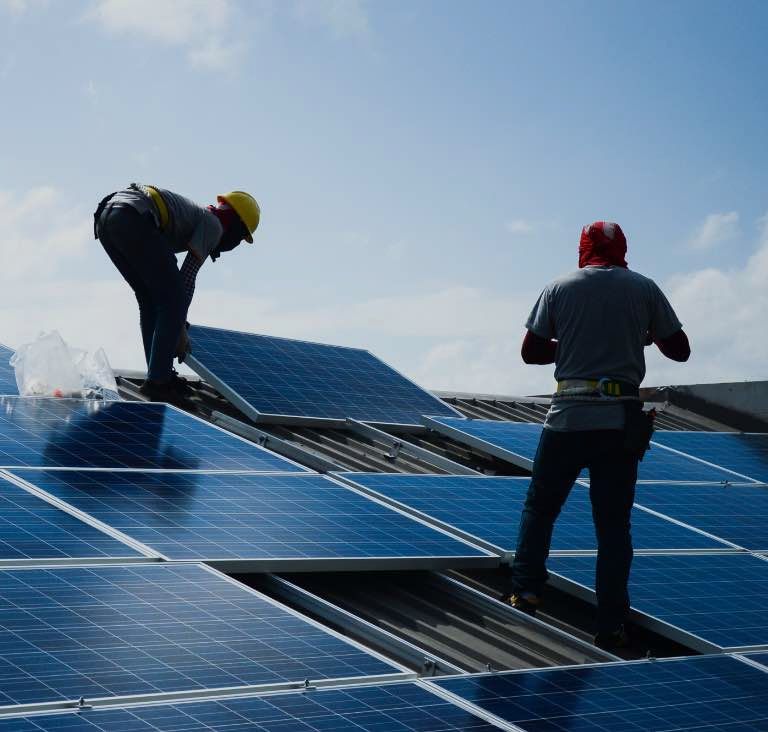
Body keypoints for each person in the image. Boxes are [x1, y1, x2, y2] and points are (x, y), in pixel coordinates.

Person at [505, 221, 690, 651]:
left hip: (567, 420)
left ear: (583, 249)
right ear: (623, 248)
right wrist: (635, 339)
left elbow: (531, 352)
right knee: (612, 527)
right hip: (618, 424)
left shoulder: (559, 288)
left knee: (541, 509)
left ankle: (527, 590)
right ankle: (609, 623)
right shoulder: (644, 289)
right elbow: (679, 349)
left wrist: (571, 344)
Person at [94, 184, 259, 404]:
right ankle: (159, 381)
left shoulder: (198, 218)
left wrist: (176, 321)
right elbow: (186, 279)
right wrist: (179, 327)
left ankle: (158, 375)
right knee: (171, 300)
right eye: (240, 238)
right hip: (133, 216)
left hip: (108, 217)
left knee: (150, 299)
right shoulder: (214, 225)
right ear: (236, 226)